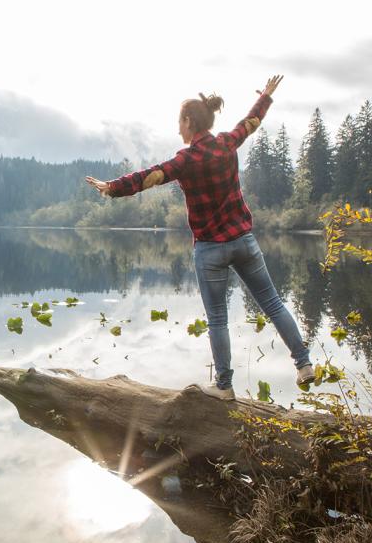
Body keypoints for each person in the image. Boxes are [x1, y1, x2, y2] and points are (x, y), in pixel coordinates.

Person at [84, 75, 314, 401]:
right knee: (274, 304)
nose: (178, 129)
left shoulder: (186, 159)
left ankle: (225, 386)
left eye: (180, 122)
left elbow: (150, 177)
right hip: (244, 241)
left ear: (190, 122)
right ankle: (304, 364)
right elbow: (251, 123)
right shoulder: (226, 143)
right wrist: (265, 96)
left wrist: (113, 188)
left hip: (210, 251)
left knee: (218, 319)